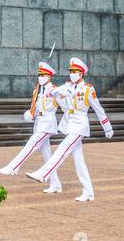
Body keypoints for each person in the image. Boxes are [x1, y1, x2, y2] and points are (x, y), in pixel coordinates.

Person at [28, 57, 114, 201]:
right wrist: (63, 99)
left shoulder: (87, 89)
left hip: (80, 125)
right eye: (71, 71)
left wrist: (107, 127)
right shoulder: (68, 86)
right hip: (70, 124)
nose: (72, 74)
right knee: (79, 161)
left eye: (74, 71)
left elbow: (98, 109)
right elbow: (53, 93)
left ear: (81, 74)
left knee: (63, 148)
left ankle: (43, 173)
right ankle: (88, 192)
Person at [0, 60, 63, 193]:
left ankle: (13, 167)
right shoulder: (37, 90)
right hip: (38, 123)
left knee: (31, 144)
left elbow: (65, 106)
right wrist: (30, 114)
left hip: (48, 124)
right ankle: (55, 184)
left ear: (49, 76)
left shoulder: (55, 90)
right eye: (39, 75)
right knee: (47, 156)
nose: (41, 77)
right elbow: (35, 106)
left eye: (43, 75)